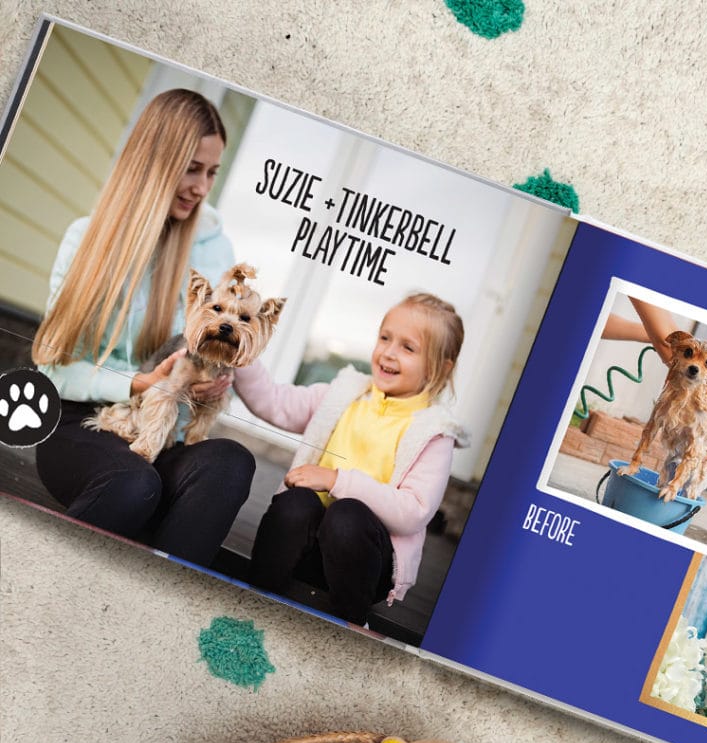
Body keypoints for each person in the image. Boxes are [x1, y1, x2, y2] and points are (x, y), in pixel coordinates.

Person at [32, 88, 255, 567]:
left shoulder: (214, 247)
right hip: (80, 420)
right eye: (192, 168)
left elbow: (221, 339)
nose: (202, 187)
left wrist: (223, 375)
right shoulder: (84, 239)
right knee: (135, 482)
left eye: (212, 172)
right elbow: (52, 366)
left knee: (232, 463)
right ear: (154, 162)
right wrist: (138, 381)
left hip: (161, 428)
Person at [232, 293, 468, 624]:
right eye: (385, 338)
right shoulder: (345, 394)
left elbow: (413, 512)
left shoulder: (434, 432)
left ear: (439, 368)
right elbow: (275, 401)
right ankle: (248, 605)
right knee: (296, 502)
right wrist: (238, 351)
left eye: (408, 347)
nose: (388, 352)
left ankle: (351, 627)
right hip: (303, 544)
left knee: (347, 515)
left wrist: (336, 480)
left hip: (363, 561)